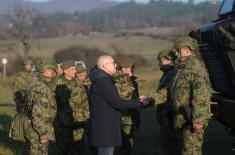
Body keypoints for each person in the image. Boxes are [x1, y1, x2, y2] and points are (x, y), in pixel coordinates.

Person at [88, 55, 148, 155]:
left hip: (103, 128)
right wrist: (140, 101)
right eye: (112, 63)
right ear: (104, 66)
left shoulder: (101, 79)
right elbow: (118, 104)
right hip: (105, 130)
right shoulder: (104, 82)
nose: (115, 65)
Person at [172, 36, 212, 155]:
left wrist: (198, 120)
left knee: (191, 151)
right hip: (185, 117)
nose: (175, 53)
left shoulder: (194, 67)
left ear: (187, 50)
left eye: (177, 50)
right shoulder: (184, 67)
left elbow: (201, 93)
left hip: (192, 119)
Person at [54, 60, 89, 155]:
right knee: (63, 148)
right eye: (72, 69)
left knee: (78, 148)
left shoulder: (78, 82)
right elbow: (52, 104)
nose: (75, 71)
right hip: (62, 123)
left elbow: (85, 101)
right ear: (65, 71)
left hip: (78, 121)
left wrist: (86, 117)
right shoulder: (56, 82)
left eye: (74, 69)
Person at [24, 60, 57, 155]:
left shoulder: (34, 82)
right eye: (51, 70)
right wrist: (43, 134)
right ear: (45, 71)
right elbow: (38, 114)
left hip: (33, 127)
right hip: (38, 130)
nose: (54, 73)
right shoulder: (42, 88)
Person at [151, 49, 178, 155]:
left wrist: (149, 100)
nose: (159, 63)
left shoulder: (172, 74)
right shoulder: (168, 73)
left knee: (171, 147)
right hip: (166, 116)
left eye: (160, 60)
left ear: (167, 60)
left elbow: (166, 93)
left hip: (170, 117)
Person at [114, 62, 140, 155]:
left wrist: (137, 118)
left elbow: (136, 101)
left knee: (129, 143)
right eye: (123, 68)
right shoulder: (117, 82)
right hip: (122, 117)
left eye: (128, 68)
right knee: (122, 145)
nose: (125, 70)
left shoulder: (134, 82)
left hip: (132, 116)